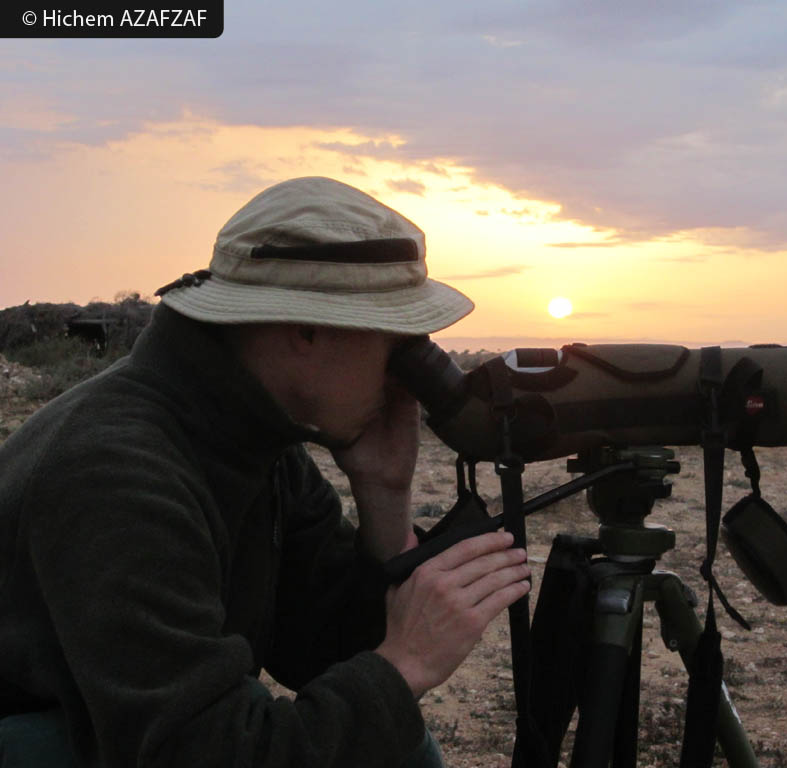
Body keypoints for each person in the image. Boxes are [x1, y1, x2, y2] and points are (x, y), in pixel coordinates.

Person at [0, 177, 532, 767]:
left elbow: (324, 650)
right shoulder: (117, 472)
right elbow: (198, 753)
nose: (404, 377)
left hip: (125, 735)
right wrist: (404, 665)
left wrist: (385, 495)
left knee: (398, 742)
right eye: (399, 342)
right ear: (305, 328)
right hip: (54, 741)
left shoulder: (252, 439)